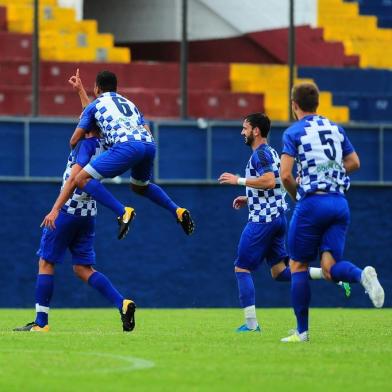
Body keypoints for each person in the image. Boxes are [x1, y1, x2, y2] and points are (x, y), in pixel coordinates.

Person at [218, 112, 350, 333]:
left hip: (263, 221)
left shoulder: (259, 155)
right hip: (279, 218)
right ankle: (331, 275)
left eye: (245, 128)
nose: (242, 132)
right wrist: (249, 196)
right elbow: (277, 184)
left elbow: (269, 182)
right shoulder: (272, 153)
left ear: (256, 131)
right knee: (280, 271)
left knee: (242, 268)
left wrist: (238, 180)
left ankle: (251, 326)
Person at [279, 82, 384, 343]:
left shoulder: (294, 132)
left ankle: (302, 332)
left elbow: (285, 175)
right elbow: (354, 162)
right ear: (317, 103)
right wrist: (330, 173)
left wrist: (298, 195)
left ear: (294, 105)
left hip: (313, 204)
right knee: (329, 268)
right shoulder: (335, 129)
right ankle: (362, 276)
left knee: (298, 264)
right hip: (339, 204)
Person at [43, 70, 194, 240]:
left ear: (97, 88)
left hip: (126, 146)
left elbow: (75, 138)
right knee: (140, 186)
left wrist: (75, 149)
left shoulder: (94, 108)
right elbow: (146, 129)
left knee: (81, 179)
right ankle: (178, 211)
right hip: (148, 145)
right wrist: (80, 91)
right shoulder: (130, 104)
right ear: (115, 88)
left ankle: (123, 212)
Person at [14, 128, 136, 332]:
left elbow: (73, 179)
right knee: (82, 268)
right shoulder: (105, 145)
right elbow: (91, 114)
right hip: (88, 214)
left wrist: (55, 210)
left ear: (87, 127)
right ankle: (122, 304)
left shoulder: (85, 146)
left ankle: (41, 323)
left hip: (67, 211)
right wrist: (81, 93)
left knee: (46, 262)